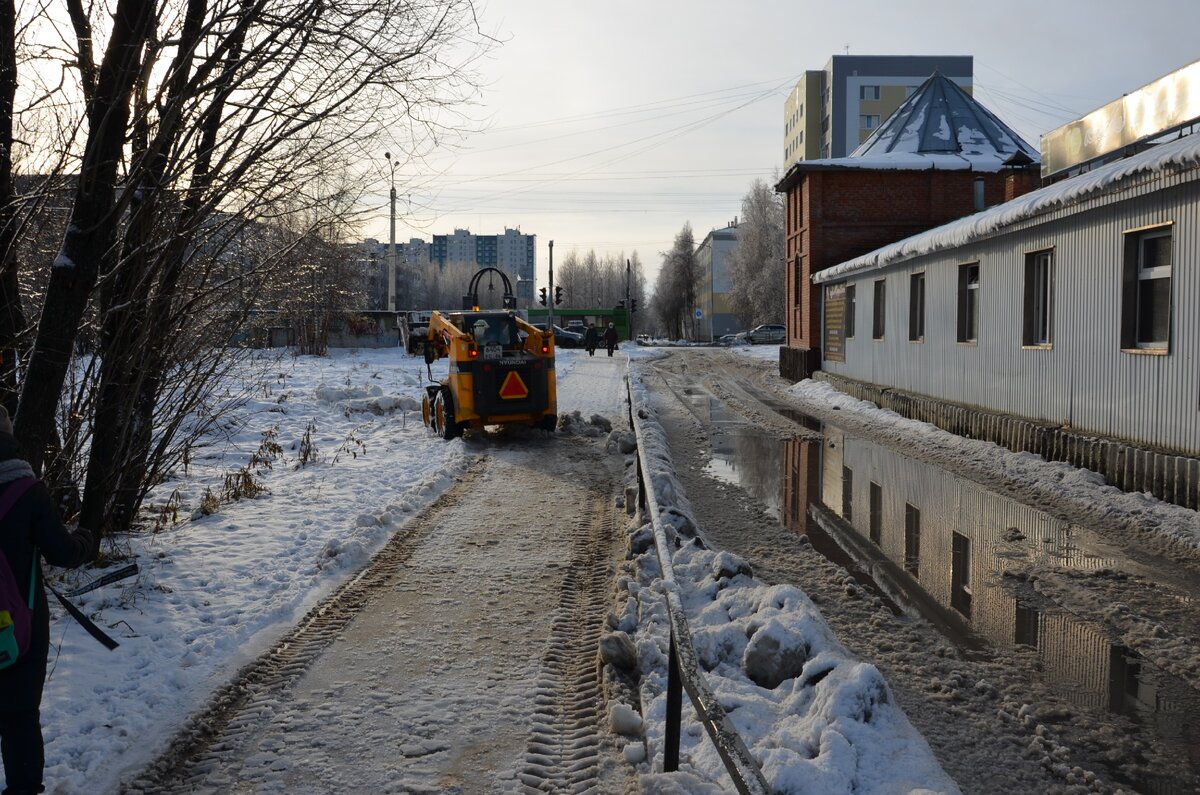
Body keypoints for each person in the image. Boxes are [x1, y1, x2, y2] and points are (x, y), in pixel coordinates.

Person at [0, 405, 93, 795]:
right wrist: (86, 540)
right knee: (20, 714)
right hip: (19, 624)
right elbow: (62, 553)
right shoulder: (26, 491)